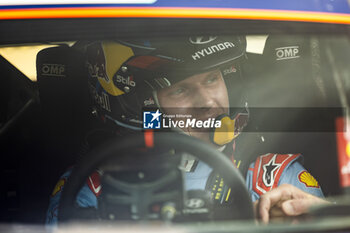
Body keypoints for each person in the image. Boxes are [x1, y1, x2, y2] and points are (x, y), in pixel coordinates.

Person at [46, 36, 326, 225]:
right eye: (180, 89)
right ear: (136, 106)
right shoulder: (90, 188)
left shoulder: (274, 179)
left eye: (212, 79)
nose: (207, 102)